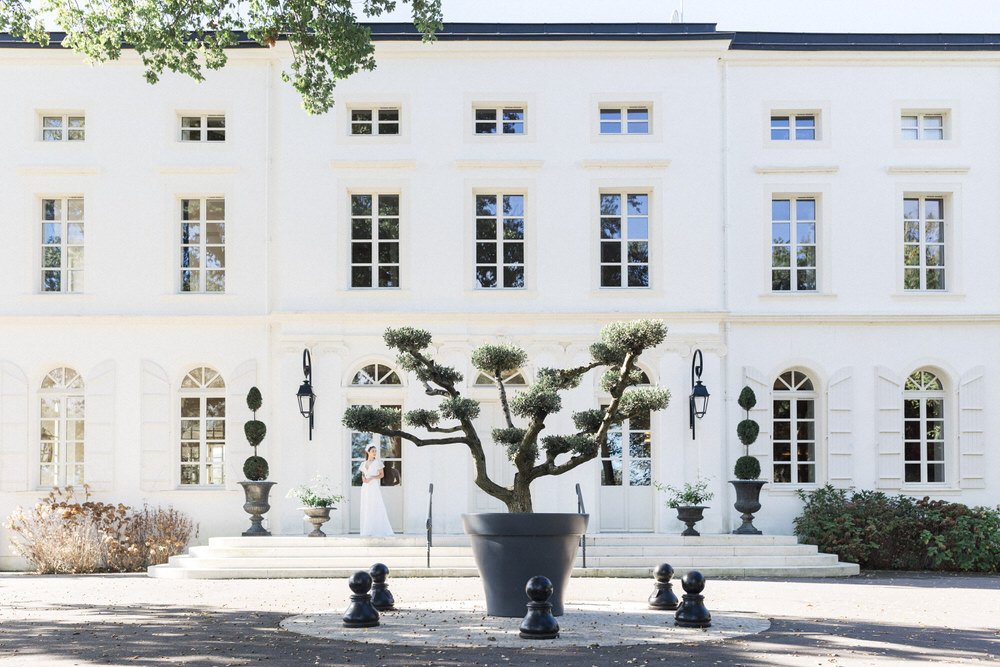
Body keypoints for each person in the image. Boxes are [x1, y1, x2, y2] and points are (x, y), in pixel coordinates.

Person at [359, 444, 395, 537]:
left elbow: (381, 475)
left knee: (375, 505)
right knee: (366, 506)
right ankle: (366, 529)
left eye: (375, 451)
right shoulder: (363, 463)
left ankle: (377, 528)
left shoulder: (378, 463)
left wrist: (372, 478)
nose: (375, 453)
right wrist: (363, 478)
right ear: (368, 452)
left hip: (373, 486)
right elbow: (363, 474)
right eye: (373, 451)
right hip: (365, 487)